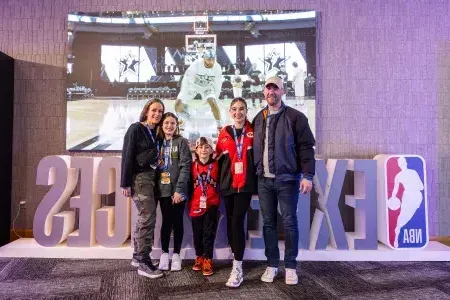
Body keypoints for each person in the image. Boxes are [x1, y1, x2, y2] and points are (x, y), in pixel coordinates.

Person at [252, 77, 315, 285]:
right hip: (264, 181)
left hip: (288, 180)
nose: (271, 92)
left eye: (275, 88)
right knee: (268, 223)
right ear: (264, 92)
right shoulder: (258, 118)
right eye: (268, 88)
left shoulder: (296, 117)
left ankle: (290, 266)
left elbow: (306, 148)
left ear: (282, 91)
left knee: (289, 222)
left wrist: (307, 176)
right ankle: (271, 264)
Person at [121, 98, 165, 279]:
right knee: (147, 218)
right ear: (146, 111)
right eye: (154, 110)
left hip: (151, 178)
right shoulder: (136, 129)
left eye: (160, 112)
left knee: (144, 218)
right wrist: (125, 183)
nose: (157, 114)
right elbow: (127, 155)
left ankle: (137, 256)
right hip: (139, 179)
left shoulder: (156, 132)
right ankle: (143, 261)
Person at [216, 98, 255, 288]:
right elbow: (218, 159)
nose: (238, 112)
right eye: (234, 109)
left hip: (246, 185)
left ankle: (238, 267)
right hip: (228, 185)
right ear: (230, 112)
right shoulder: (224, 133)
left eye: (241, 109)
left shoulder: (254, 131)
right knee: (231, 221)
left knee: (238, 220)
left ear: (247, 110)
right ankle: (235, 253)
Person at [155, 112, 192, 271]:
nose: (169, 126)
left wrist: (179, 190)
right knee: (166, 221)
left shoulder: (181, 142)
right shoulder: (157, 142)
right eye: (166, 123)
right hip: (163, 189)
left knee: (177, 222)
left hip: (179, 190)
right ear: (162, 125)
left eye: (172, 123)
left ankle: (176, 255)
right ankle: (164, 254)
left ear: (177, 125)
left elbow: (185, 167)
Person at [189, 137, 220, 276]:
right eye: (201, 147)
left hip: (211, 204)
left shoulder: (217, 165)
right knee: (197, 233)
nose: (204, 150)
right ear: (196, 149)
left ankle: (208, 259)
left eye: (207, 147)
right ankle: (199, 256)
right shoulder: (191, 166)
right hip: (195, 204)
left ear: (212, 150)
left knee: (209, 233)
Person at [174, 49, 223, 130]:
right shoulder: (196, 64)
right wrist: (183, 93)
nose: (211, 62)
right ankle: (182, 119)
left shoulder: (217, 68)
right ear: (204, 58)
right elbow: (187, 78)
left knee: (213, 103)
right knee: (178, 104)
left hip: (207, 87)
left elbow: (218, 84)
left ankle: (219, 124)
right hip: (193, 85)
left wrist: (215, 97)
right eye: (208, 59)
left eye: (213, 59)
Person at [390, 156, 424, 248]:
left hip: (414, 196)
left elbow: (421, 186)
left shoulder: (403, 175)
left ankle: (398, 232)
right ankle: (397, 237)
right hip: (411, 196)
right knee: (403, 215)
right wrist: (393, 198)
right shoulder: (402, 175)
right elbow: (395, 191)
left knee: (407, 215)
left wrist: (393, 197)